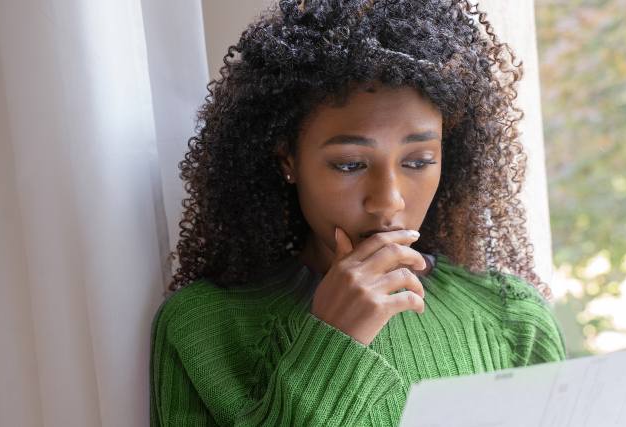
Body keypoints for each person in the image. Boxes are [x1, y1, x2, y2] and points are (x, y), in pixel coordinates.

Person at [149, 0, 567, 425]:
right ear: (287, 160)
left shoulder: (511, 315)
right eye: (350, 164)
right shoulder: (202, 329)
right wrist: (334, 343)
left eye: (419, 161)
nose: (389, 200)